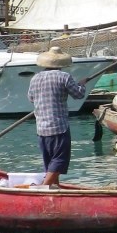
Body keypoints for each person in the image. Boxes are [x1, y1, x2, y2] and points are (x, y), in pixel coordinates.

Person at [28, 46, 86, 186]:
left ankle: (55, 187)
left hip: (41, 128)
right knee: (59, 160)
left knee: (50, 162)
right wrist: (82, 85)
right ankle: (44, 188)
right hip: (58, 127)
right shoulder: (64, 77)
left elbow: (31, 98)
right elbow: (78, 94)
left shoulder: (35, 78)